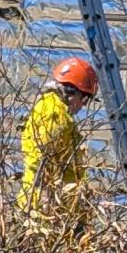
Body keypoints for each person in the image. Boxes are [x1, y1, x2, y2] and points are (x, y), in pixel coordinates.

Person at [19, 56, 99, 206]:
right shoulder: (55, 114)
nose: (82, 106)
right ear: (72, 92)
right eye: (84, 99)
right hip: (48, 204)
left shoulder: (52, 107)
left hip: (55, 201)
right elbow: (43, 161)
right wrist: (48, 200)